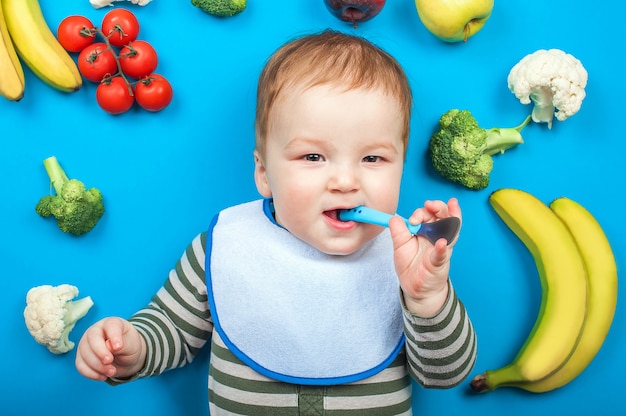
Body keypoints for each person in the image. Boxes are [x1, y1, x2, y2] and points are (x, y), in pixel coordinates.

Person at [75, 29, 477, 415]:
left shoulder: (408, 257)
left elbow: (445, 375)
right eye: (313, 157)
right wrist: (134, 348)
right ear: (264, 173)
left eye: (373, 159)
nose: (345, 182)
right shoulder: (223, 246)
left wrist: (427, 299)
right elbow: (171, 333)